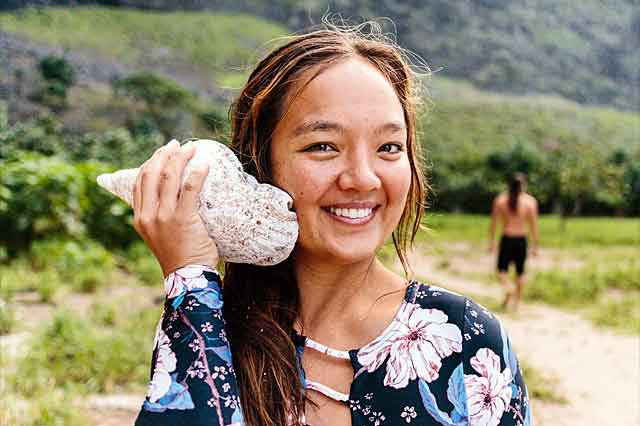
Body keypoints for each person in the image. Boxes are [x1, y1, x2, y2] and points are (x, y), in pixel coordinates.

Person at [132, 22, 533, 426]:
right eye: (323, 146)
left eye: (388, 147)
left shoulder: (467, 339)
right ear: (260, 163)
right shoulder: (208, 328)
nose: (362, 178)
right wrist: (189, 280)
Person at [488, 173, 539, 312]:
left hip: (507, 238)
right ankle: (516, 304)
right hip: (521, 240)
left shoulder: (500, 200)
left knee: (501, 270)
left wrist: (491, 242)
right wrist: (535, 245)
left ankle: (508, 289)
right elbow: (534, 225)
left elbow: (493, 224)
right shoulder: (530, 202)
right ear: (523, 185)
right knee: (520, 272)